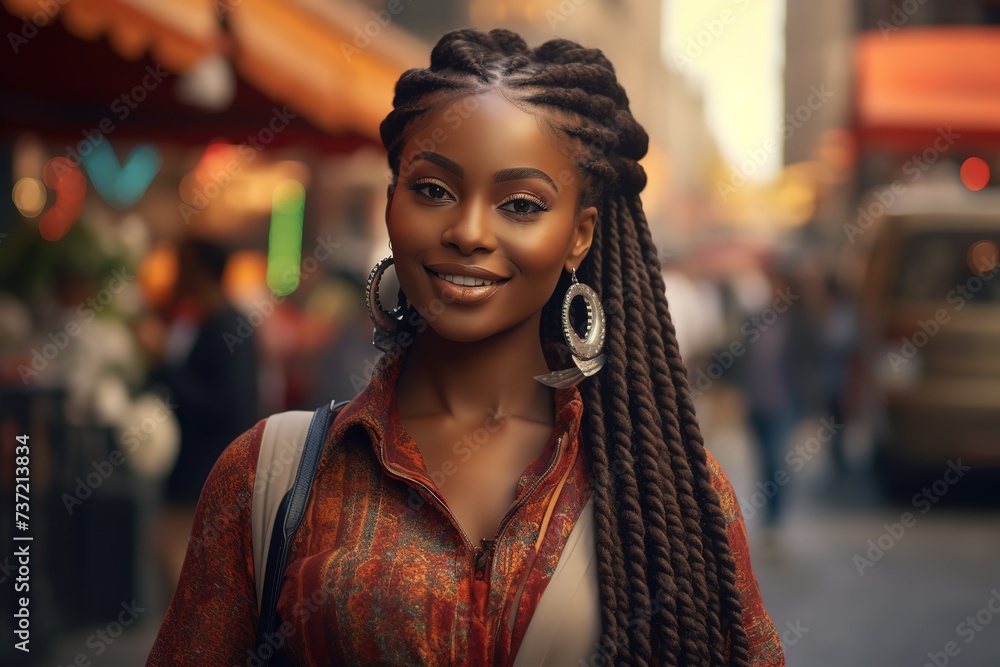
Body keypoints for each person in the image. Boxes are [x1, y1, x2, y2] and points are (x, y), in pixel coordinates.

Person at [147, 29, 785, 666]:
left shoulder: (675, 492)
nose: (469, 231)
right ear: (393, 199)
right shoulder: (266, 477)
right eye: (432, 190)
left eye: (520, 203)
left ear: (578, 237)